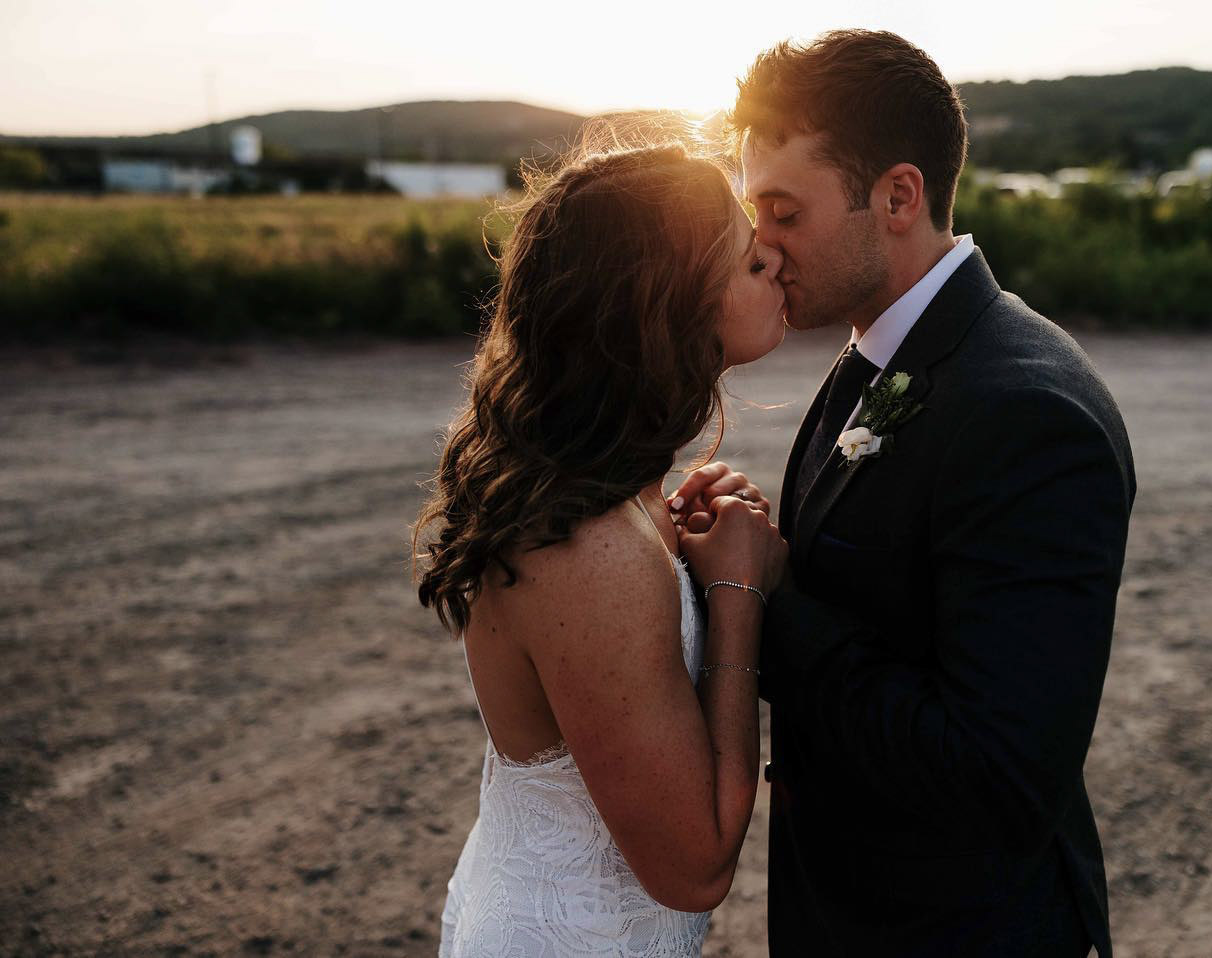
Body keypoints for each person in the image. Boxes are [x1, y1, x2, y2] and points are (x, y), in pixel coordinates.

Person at [671, 30, 1137, 957]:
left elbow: (995, 777)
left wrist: (764, 595)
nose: (758, 241)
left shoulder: (1026, 413)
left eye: (782, 210)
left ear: (896, 196)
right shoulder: (880, 347)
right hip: (848, 910)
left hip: (954, 930)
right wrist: (744, 541)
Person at [414, 144, 789, 956]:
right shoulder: (587, 545)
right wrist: (735, 594)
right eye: (745, 254)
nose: (774, 255)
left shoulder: (608, 494)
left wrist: (690, 544)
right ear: (662, 304)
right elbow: (694, 870)